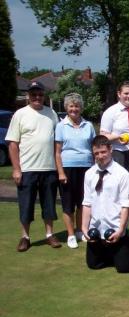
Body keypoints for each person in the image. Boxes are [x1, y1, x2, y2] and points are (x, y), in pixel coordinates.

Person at [6, 81, 62, 252]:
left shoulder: (51, 113)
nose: (37, 97)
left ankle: (49, 234)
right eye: (33, 95)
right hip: (27, 169)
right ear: (28, 96)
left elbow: (58, 141)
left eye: (40, 94)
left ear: (44, 96)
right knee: (26, 204)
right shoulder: (20, 114)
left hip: (49, 168)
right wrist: (16, 168)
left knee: (49, 204)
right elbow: (13, 144)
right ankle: (25, 237)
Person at [81, 135, 129, 273]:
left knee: (124, 268)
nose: (100, 156)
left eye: (103, 152)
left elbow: (125, 205)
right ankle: (110, 254)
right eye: (96, 153)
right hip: (96, 232)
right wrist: (84, 228)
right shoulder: (89, 174)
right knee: (93, 265)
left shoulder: (122, 174)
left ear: (110, 149)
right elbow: (87, 203)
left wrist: (121, 230)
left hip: (115, 231)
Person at [55, 93, 96, 249]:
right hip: (67, 168)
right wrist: (60, 172)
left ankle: (80, 230)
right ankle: (71, 235)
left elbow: (93, 149)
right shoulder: (61, 126)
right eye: (71, 106)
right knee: (68, 203)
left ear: (81, 108)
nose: (74, 109)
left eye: (77, 106)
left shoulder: (89, 125)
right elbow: (57, 152)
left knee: (82, 202)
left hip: (86, 168)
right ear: (66, 108)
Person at [100, 81, 129, 171]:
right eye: (126, 93)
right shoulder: (110, 112)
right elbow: (102, 138)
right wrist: (117, 137)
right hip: (118, 153)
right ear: (119, 94)